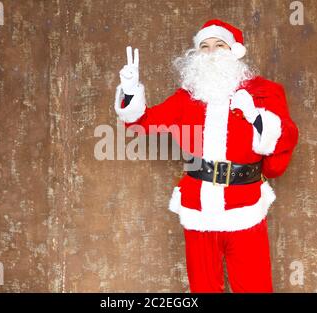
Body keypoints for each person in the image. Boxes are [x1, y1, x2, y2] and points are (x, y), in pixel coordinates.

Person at [114, 19, 299, 293]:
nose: (211, 52)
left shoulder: (264, 92)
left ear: (234, 51)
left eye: (219, 45)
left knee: (254, 286)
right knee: (203, 287)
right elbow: (142, 122)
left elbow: (286, 138)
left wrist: (254, 116)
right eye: (204, 46)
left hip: (245, 205)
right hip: (197, 206)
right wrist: (130, 90)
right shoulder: (187, 97)